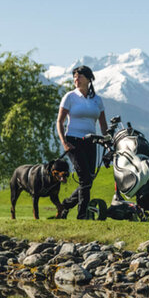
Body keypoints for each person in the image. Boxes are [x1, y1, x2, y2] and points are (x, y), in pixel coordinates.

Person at [56, 65, 109, 219]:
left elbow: (103, 124)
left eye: (79, 76)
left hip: (91, 141)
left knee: (88, 179)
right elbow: (59, 121)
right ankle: (82, 216)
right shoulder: (69, 97)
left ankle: (65, 205)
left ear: (89, 79)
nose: (76, 79)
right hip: (73, 141)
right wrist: (64, 143)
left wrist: (107, 141)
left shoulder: (97, 100)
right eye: (74, 77)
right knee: (84, 178)